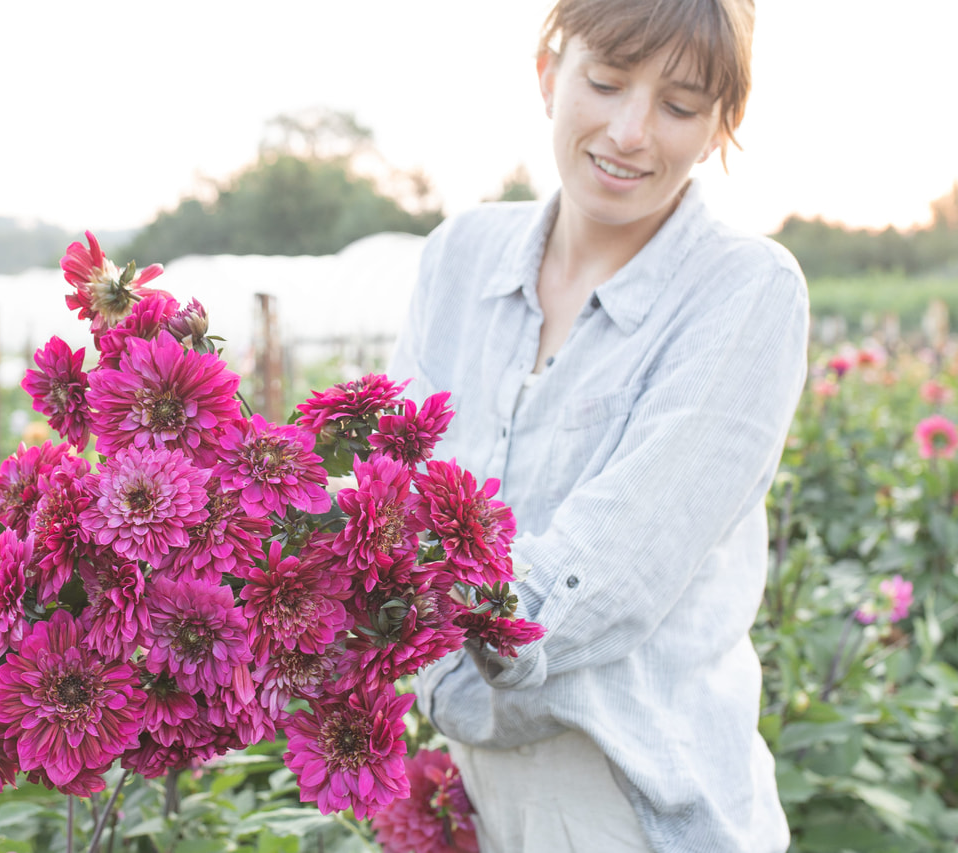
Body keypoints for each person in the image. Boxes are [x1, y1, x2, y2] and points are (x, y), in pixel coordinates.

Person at [388, 0, 805, 850]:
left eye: (680, 106)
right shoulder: (458, 257)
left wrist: (391, 588)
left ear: (722, 122)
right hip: (488, 805)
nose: (629, 131)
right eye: (606, 82)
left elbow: (595, 586)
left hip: (643, 810)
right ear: (549, 73)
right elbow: (391, 489)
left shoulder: (743, 290)